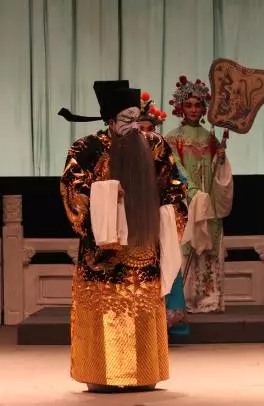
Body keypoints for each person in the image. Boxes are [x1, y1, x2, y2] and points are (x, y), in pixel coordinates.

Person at [58, 80, 188, 392]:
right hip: (102, 254)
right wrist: (106, 197)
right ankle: (100, 376)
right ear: (110, 120)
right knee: (103, 309)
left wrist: (166, 211)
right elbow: (72, 189)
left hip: (143, 248)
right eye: (125, 119)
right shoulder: (86, 148)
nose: (133, 127)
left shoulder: (155, 145)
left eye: (136, 118)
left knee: (141, 308)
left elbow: (174, 188)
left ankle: (145, 374)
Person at [164, 75, 233, 314]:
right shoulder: (173, 138)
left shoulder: (211, 138)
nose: (193, 110)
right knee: (185, 246)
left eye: (198, 105)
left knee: (208, 247)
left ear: (204, 109)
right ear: (181, 108)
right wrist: (192, 192)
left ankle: (208, 298)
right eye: (189, 105)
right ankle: (183, 299)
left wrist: (220, 158)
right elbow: (175, 167)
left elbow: (217, 170)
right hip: (186, 200)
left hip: (208, 200)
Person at [139, 90, 190, 338]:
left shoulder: (163, 151)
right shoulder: (123, 152)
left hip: (160, 216)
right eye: (140, 128)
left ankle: (170, 321)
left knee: (167, 263)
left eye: (149, 128)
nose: (145, 133)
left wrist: (167, 195)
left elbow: (181, 181)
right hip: (135, 220)